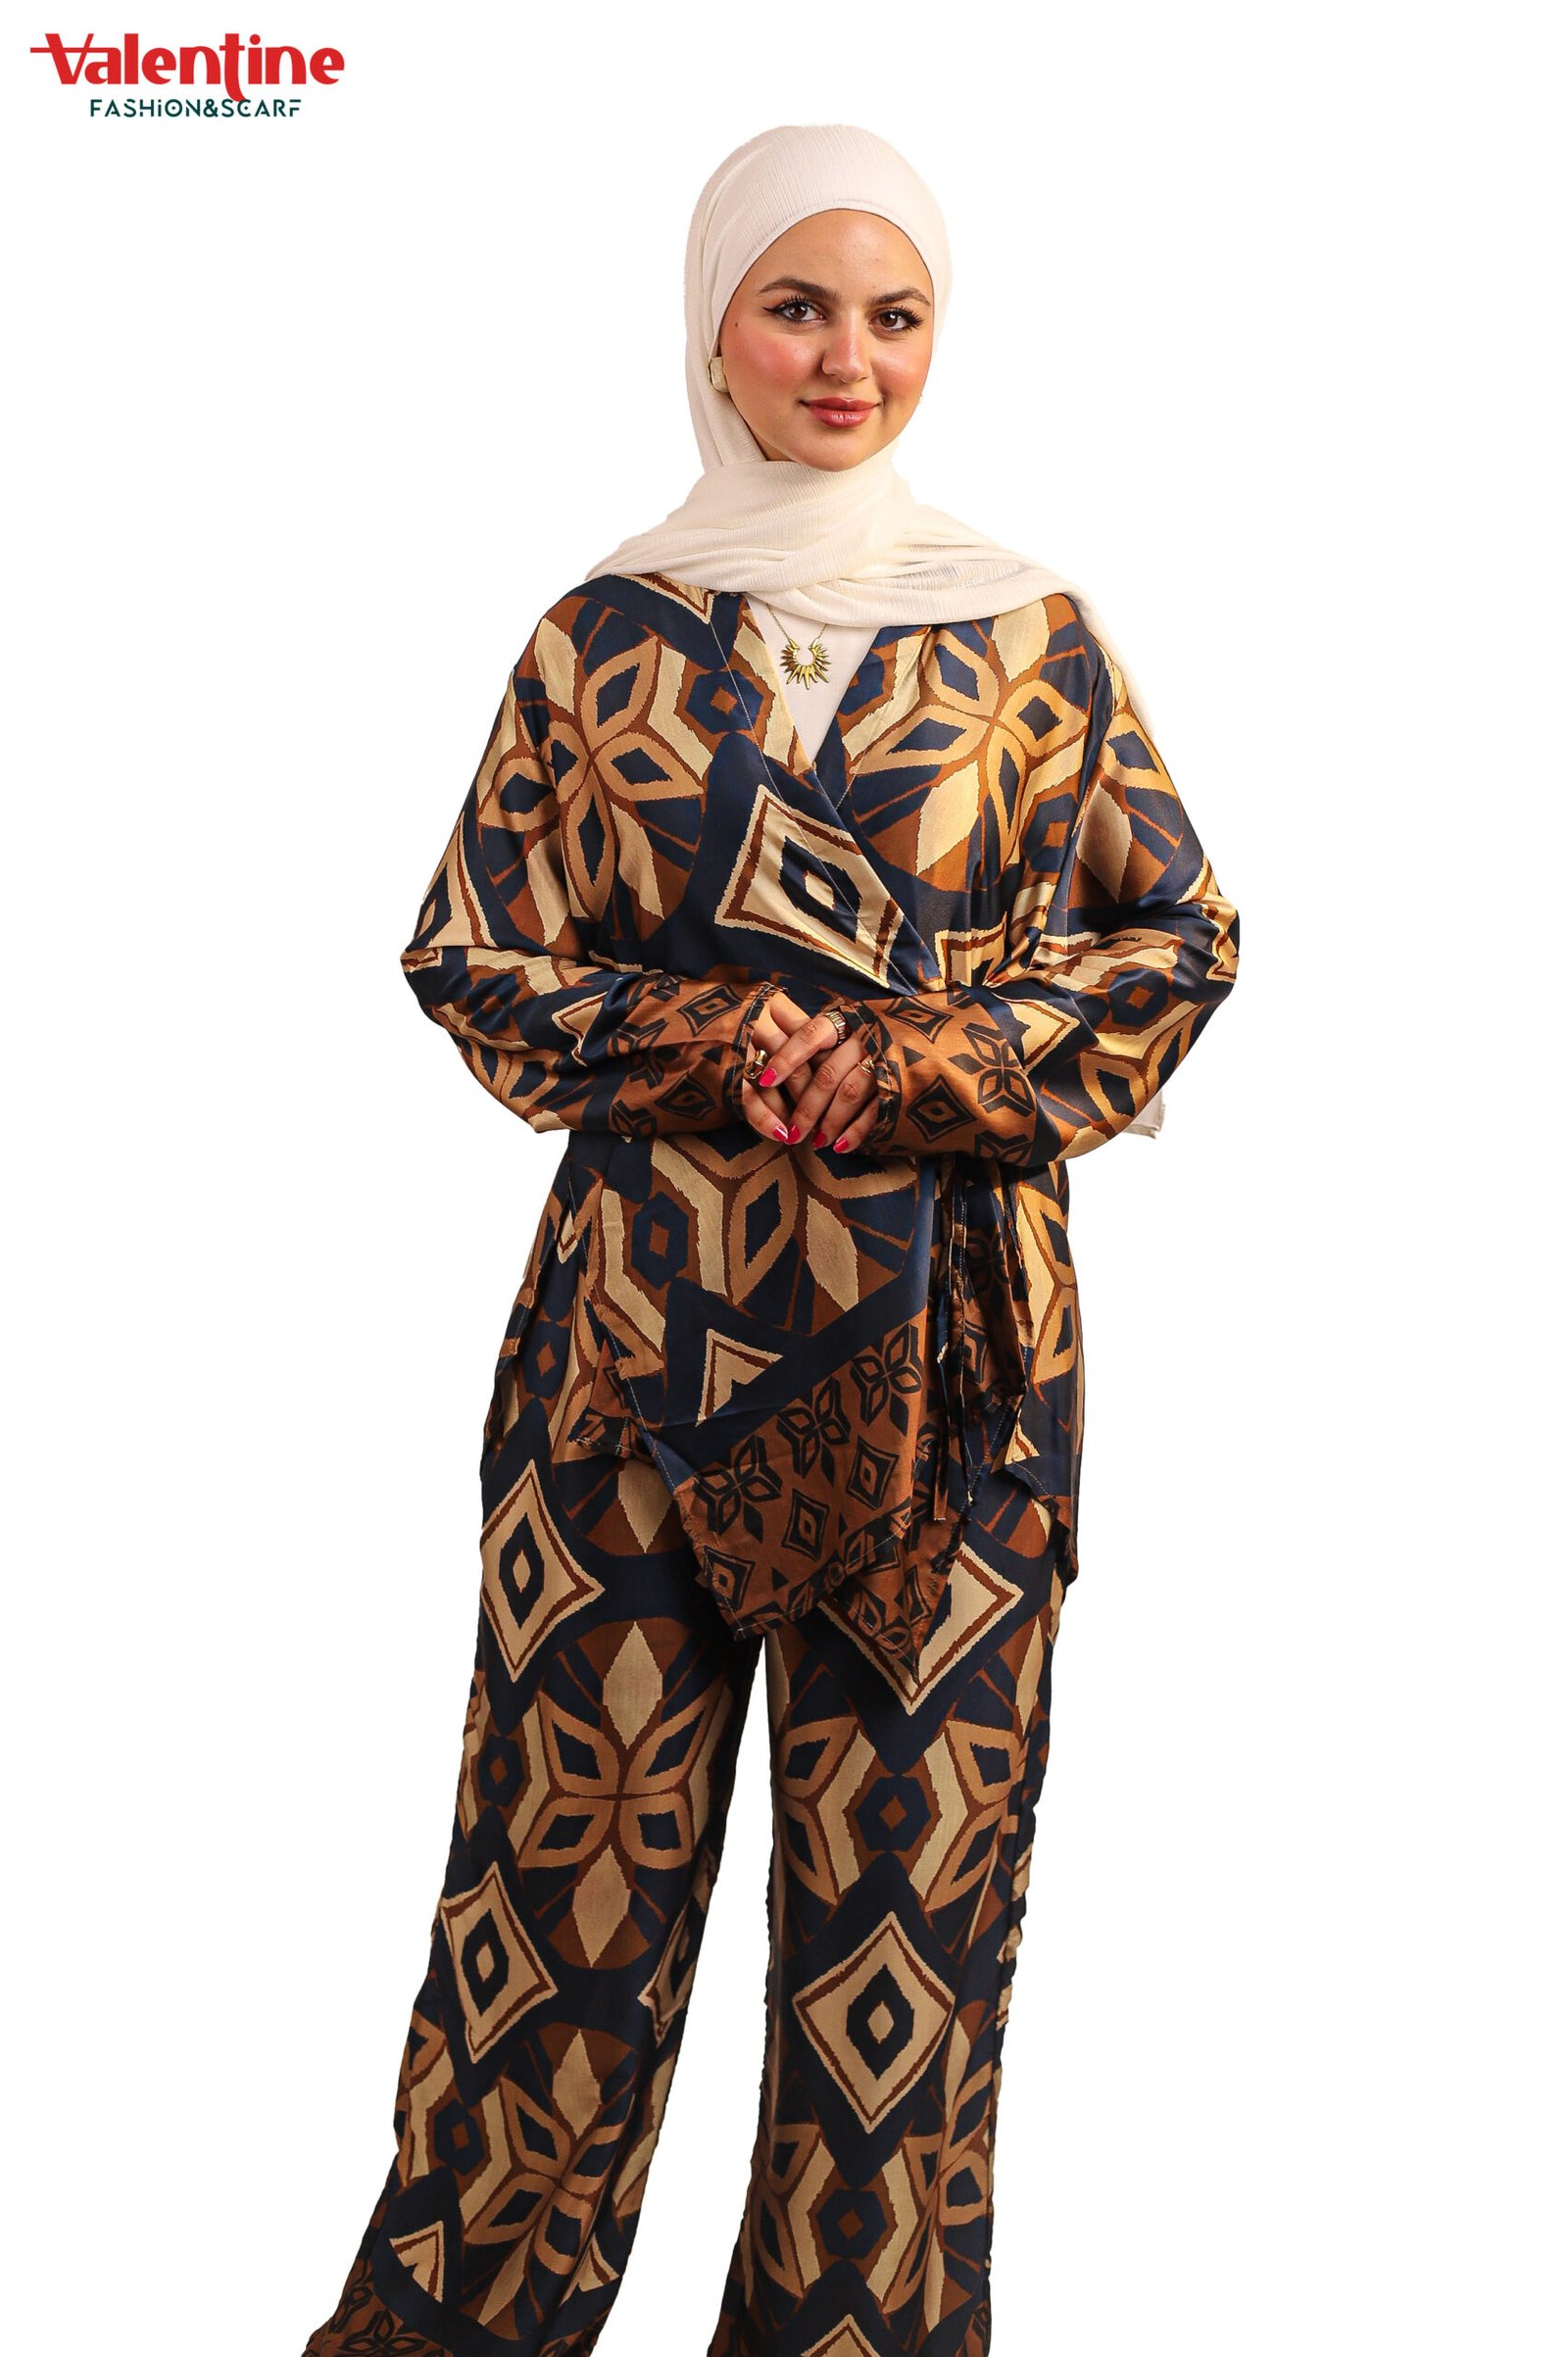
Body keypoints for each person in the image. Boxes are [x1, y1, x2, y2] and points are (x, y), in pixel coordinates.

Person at [300, 120, 1241, 2357]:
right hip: (635, 1357)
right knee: (554, 1916)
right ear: (710, 324)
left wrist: (928, 1056)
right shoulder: (605, 638)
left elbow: (1180, 936)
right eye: (797, 307)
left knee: (904, 1944)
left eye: (893, 315)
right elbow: (469, 954)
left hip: (956, 1382)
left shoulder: (1025, 638)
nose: (847, 359)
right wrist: (713, 1033)